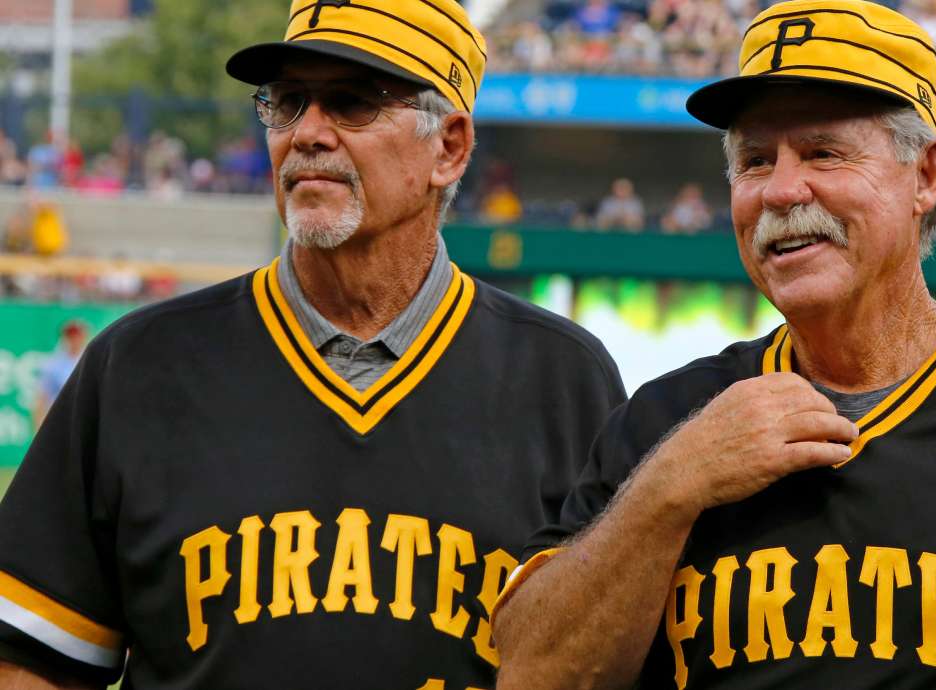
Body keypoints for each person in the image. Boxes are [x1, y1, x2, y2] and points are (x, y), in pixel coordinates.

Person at [491, 2, 936, 689]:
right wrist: (670, 487)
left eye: (823, 152)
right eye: (754, 160)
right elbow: (529, 672)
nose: (781, 190)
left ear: (927, 175)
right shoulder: (664, 425)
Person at [0, 1, 625, 689]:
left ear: (448, 148)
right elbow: (33, 660)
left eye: (352, 104)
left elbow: (608, 663)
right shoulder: (138, 365)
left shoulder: (564, 379)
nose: (307, 133)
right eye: (289, 102)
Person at [32, 321, 89, 430]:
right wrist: (39, 429)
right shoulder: (53, 364)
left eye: (77, 335)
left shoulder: (92, 361)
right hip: (59, 422)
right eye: (71, 336)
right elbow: (42, 398)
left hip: (84, 422)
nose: (75, 340)